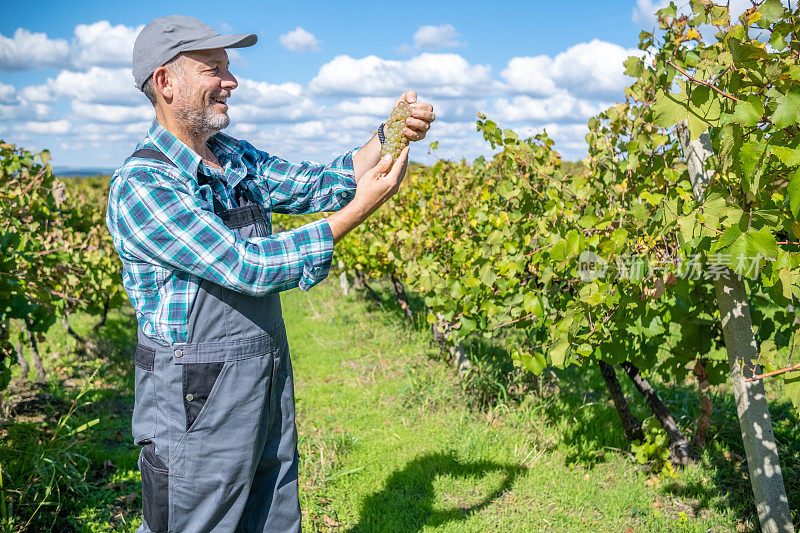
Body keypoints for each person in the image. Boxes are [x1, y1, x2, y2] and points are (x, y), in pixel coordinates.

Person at [105, 15, 435, 533]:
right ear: (165, 83)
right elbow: (248, 265)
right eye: (214, 69)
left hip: (262, 377)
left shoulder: (234, 158)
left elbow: (322, 183)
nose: (230, 82)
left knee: (271, 516)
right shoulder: (144, 184)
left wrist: (390, 134)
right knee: (199, 521)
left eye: (229, 68)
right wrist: (356, 213)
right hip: (194, 399)